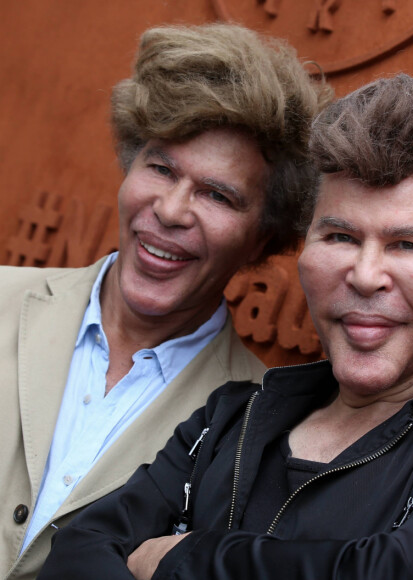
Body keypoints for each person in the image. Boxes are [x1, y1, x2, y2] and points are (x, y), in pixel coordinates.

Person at [39, 74, 413, 580]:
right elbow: (79, 548)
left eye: (408, 245)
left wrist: (185, 554)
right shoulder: (230, 417)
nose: (366, 276)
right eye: (340, 237)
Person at [1, 23, 331, 580]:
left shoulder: (252, 426)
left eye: (217, 194)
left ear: (263, 236)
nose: (172, 210)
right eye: (160, 167)